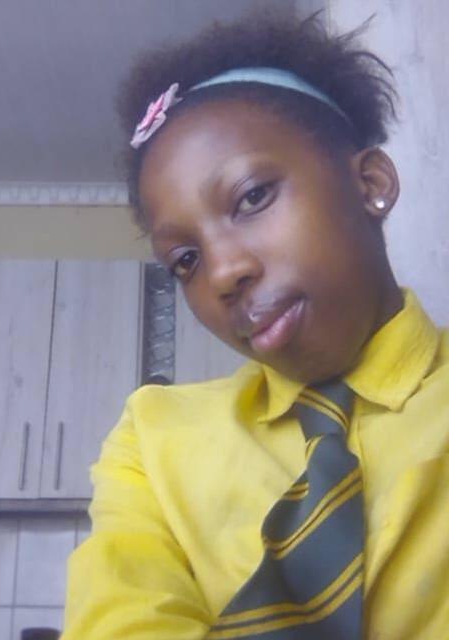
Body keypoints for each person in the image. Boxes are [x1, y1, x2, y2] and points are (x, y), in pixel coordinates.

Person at [62, 10, 449, 640]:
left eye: (251, 197)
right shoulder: (152, 440)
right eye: (186, 260)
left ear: (370, 183)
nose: (222, 274)